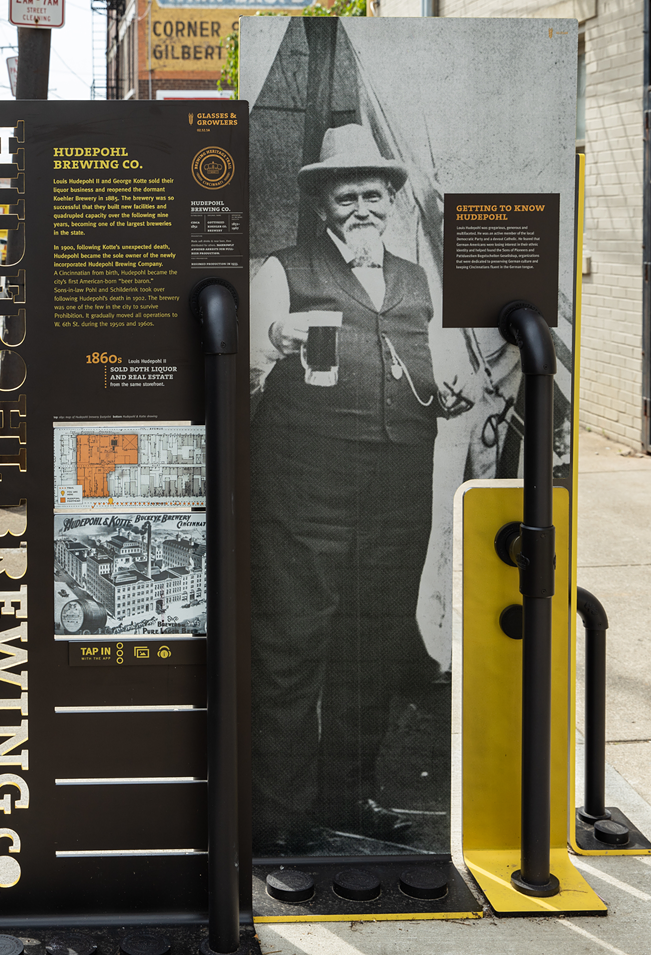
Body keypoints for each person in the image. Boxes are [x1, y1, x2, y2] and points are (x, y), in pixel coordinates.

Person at [249, 123, 447, 856]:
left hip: (397, 483)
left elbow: (428, 369)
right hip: (304, 482)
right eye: (347, 195)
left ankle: (349, 798)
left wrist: (444, 391)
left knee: (376, 640)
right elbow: (243, 360)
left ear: (391, 202)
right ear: (323, 205)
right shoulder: (283, 268)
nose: (363, 207)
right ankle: (278, 812)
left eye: (374, 194)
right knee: (292, 640)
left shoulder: (413, 279)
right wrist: (277, 340)